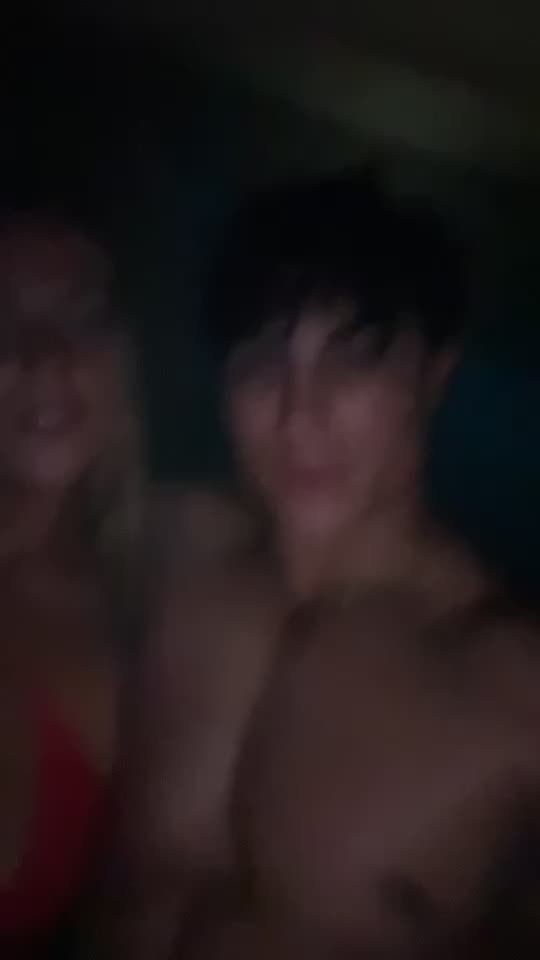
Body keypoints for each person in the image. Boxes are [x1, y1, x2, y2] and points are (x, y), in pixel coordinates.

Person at [105, 175, 540, 959]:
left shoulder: (509, 685)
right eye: (262, 361)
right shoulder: (172, 543)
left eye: (354, 358)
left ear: (435, 376)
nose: (301, 410)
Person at [0, 210, 249, 957]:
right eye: (2, 319)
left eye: (83, 319)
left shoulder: (151, 604)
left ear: (127, 359)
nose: (45, 358)